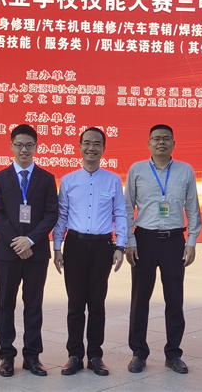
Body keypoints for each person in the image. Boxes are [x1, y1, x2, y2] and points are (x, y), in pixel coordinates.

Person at [125, 124, 201, 374]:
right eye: (156, 139)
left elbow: (192, 208)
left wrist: (191, 242)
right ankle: (138, 352)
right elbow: (127, 208)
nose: (161, 143)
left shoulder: (185, 170)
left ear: (173, 144)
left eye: (166, 139)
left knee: (174, 299)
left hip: (174, 241)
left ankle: (173, 353)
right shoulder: (137, 170)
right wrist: (130, 241)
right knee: (140, 299)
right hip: (144, 240)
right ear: (148, 143)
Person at [53, 127, 127, 376]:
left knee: (96, 303)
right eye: (86, 143)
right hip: (74, 245)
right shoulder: (69, 180)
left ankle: (95, 355)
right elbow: (61, 216)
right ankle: (74, 355)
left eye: (96, 144)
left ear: (103, 148)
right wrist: (57, 247)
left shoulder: (113, 180)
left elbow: (120, 214)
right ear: (80, 146)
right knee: (75, 304)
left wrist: (120, 246)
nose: (91, 148)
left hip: (102, 247)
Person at [0, 125, 58, 377]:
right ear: (11, 146)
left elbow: (51, 214)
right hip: (7, 253)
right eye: (19, 145)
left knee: (33, 305)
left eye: (29, 145)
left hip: (36, 253)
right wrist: (17, 242)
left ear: (36, 147)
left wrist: (30, 240)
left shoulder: (46, 178)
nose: (24, 150)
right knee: (5, 304)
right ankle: (6, 356)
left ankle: (32, 356)